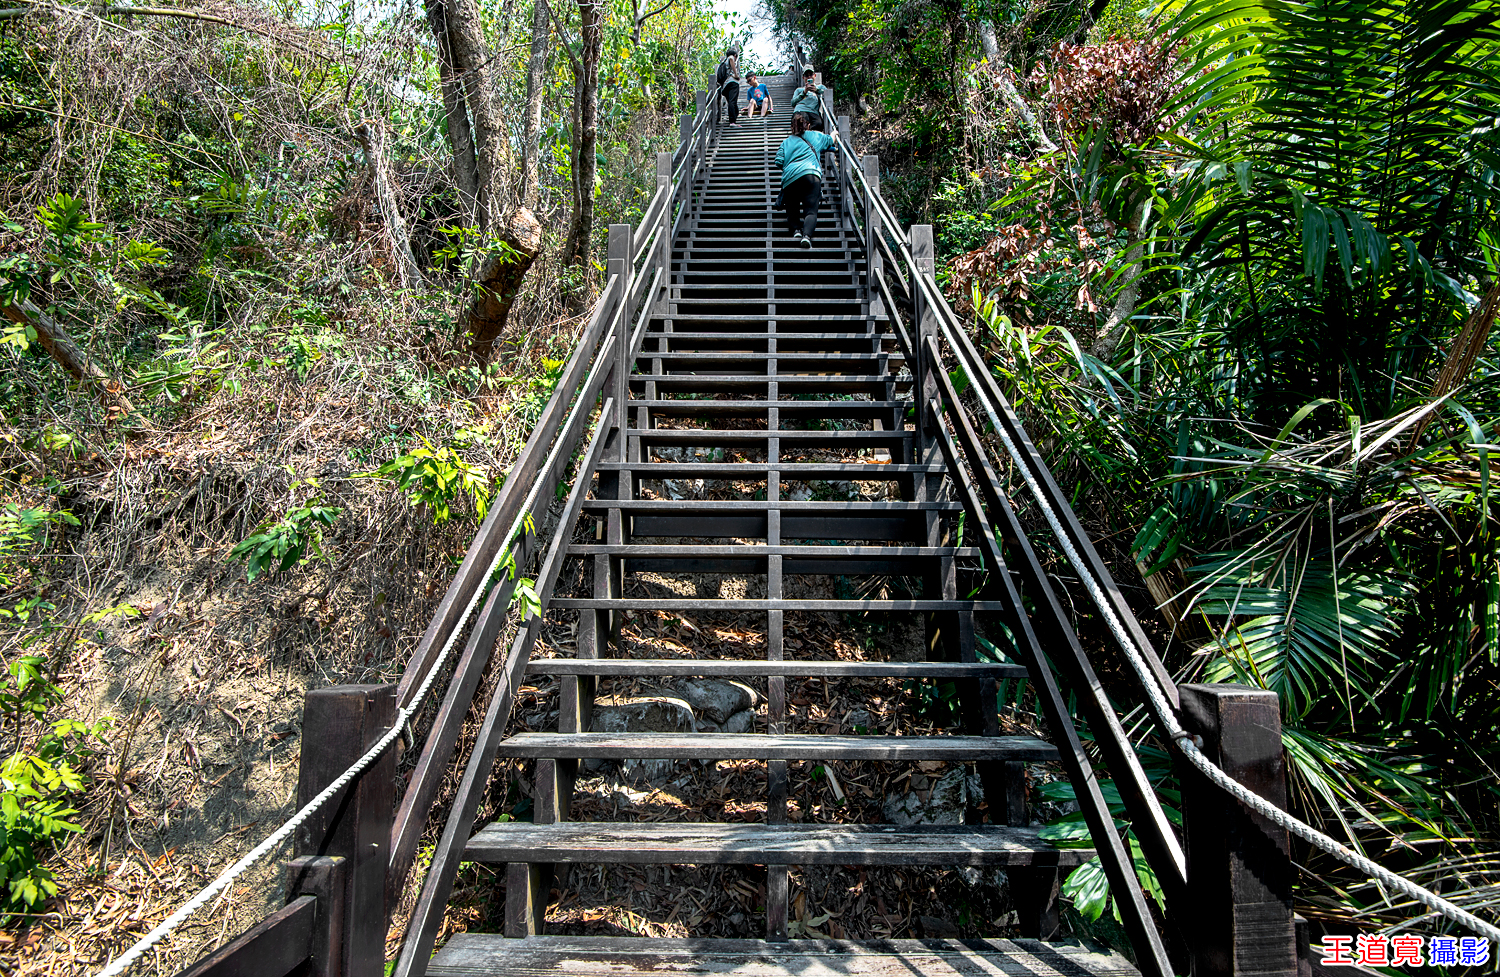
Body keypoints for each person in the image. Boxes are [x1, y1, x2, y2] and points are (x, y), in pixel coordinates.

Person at [773, 113, 835, 248]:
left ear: (791, 127)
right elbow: (830, 140)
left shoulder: (786, 142)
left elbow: (778, 161)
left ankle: (796, 230)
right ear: (808, 124)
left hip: (791, 178)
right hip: (811, 175)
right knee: (811, 210)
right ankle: (806, 236)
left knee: (792, 208)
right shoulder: (815, 136)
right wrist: (835, 132)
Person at [715, 47, 742, 128]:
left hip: (725, 86)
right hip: (732, 82)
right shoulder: (730, 58)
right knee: (732, 102)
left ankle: (736, 114)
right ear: (735, 55)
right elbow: (731, 58)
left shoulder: (723, 63)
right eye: (736, 57)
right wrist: (736, 74)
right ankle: (732, 122)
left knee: (731, 102)